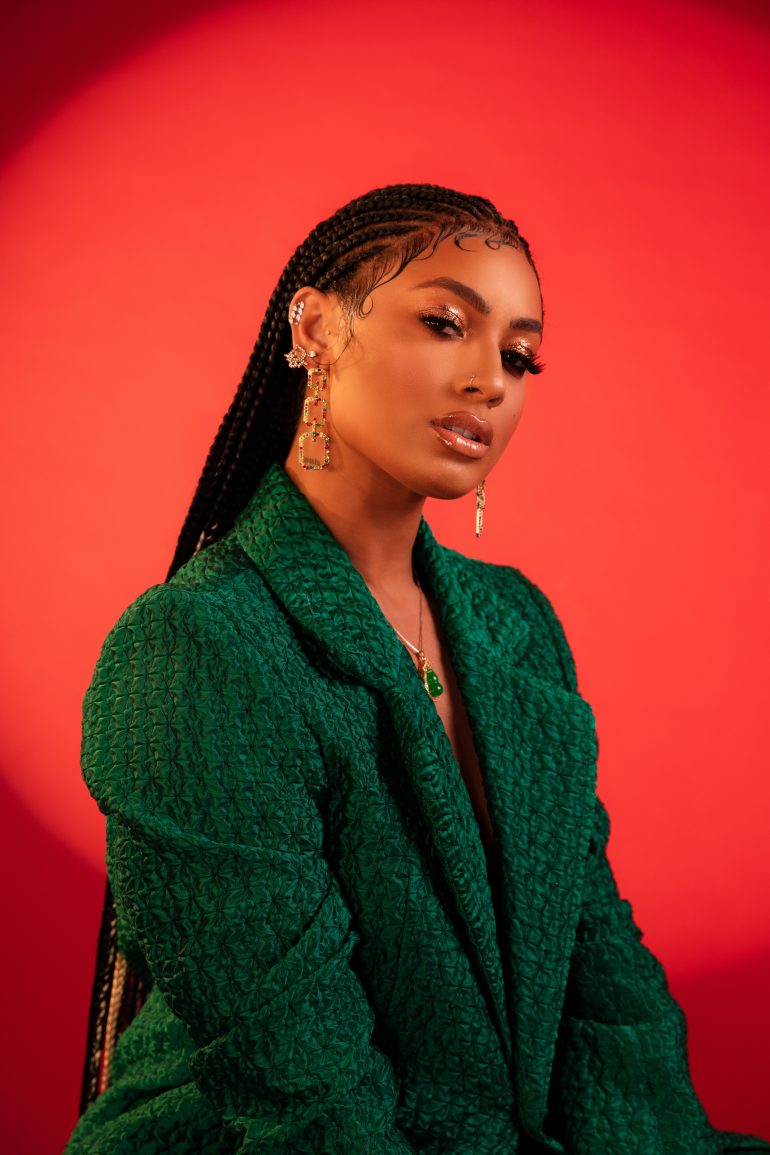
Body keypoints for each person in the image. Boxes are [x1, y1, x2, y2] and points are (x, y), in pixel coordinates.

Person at [65, 184, 768, 1155]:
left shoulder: (512, 622)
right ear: (315, 328)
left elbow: (602, 979)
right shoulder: (195, 645)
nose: (490, 381)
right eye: (445, 324)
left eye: (518, 356)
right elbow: (302, 1087)